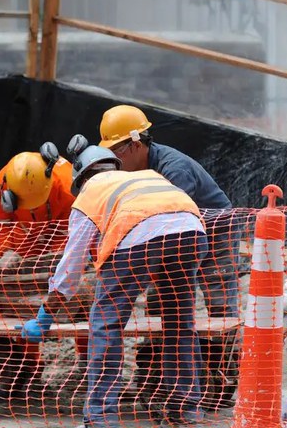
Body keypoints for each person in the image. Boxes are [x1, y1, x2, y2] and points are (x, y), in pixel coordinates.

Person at [21, 136, 208, 428]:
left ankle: (100, 422)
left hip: (138, 239)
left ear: (81, 178)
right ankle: (186, 414)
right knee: (180, 324)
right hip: (190, 233)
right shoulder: (146, 176)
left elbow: (71, 266)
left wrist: (44, 315)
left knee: (106, 327)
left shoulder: (90, 195)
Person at [97, 104, 239, 319]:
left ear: (136, 144)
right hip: (178, 231)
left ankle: (227, 351)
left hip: (215, 228)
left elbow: (169, 217)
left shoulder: (174, 169)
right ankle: (155, 350)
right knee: (162, 297)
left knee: (218, 295)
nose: (114, 159)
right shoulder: (133, 170)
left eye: (116, 151)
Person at [0, 143, 75, 268]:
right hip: (24, 228)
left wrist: (58, 255)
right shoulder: (1, 185)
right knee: (24, 262)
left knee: (60, 260)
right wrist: (6, 249)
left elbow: (67, 228)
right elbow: (1, 222)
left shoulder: (67, 186)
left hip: (58, 223)